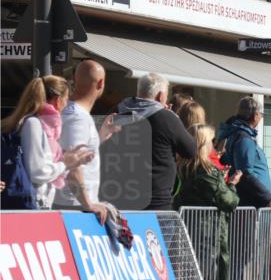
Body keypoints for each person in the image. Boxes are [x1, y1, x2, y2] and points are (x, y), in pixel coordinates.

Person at [102, 73, 196, 210]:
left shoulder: (117, 112)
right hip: (155, 199)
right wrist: (173, 118)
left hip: (120, 193)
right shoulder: (167, 118)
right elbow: (190, 150)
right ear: (160, 96)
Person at [0, 75, 94, 209]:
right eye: (66, 100)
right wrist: (65, 163)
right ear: (57, 101)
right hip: (29, 206)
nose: (66, 105)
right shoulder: (33, 124)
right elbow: (38, 172)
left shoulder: (42, 126)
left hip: (35, 204)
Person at [172, 124, 241, 280]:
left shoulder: (180, 166)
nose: (214, 145)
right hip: (204, 234)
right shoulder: (206, 171)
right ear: (203, 144)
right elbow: (229, 202)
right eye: (211, 141)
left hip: (185, 229)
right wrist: (231, 184)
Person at [54, 60, 120, 222]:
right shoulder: (77, 117)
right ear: (101, 83)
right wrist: (88, 203)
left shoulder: (75, 114)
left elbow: (77, 154)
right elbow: (72, 164)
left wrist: (100, 136)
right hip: (74, 207)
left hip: (74, 205)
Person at [217, 96, 271, 208]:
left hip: (252, 201)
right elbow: (245, 173)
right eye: (261, 114)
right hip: (252, 202)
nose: (261, 117)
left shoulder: (239, 135)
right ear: (255, 115)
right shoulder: (243, 138)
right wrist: (267, 197)